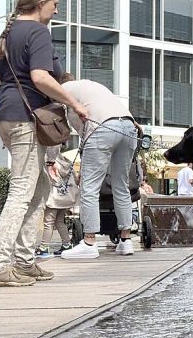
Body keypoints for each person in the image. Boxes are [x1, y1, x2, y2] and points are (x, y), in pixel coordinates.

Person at [0, 0, 88, 288]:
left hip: (6, 114)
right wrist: (74, 103)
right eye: (55, 4)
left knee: (41, 187)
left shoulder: (7, 33)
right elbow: (41, 77)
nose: (56, 11)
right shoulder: (38, 32)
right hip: (26, 117)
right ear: (41, 2)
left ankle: (26, 261)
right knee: (21, 191)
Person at [59, 73, 140, 260]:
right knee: (121, 186)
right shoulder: (92, 86)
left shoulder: (66, 89)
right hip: (128, 127)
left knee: (89, 188)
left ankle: (89, 242)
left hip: (103, 128)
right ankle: (126, 241)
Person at [37, 147, 77, 257]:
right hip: (63, 197)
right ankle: (67, 244)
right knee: (59, 221)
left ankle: (44, 248)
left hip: (53, 197)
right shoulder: (65, 161)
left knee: (48, 222)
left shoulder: (49, 162)